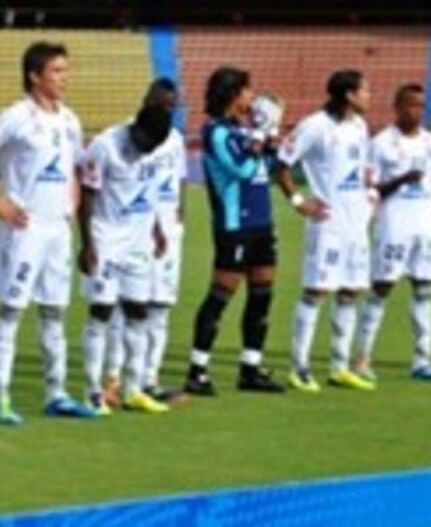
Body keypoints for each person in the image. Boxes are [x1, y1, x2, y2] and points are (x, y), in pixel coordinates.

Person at [0, 42, 97, 424]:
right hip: (25, 229)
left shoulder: (70, 120)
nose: (64, 78)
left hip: (58, 228)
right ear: (34, 77)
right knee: (11, 311)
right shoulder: (16, 116)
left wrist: (72, 202)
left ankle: (56, 392)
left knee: (55, 311)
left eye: (66, 70)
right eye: (57, 71)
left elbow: (74, 166)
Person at [274, 70, 376, 393]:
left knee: (351, 292)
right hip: (328, 224)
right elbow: (280, 164)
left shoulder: (360, 127)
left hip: (356, 225)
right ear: (348, 94)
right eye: (365, 91)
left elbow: (360, 170)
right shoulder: (315, 126)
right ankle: (299, 367)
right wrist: (298, 200)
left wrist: (369, 194)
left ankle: (339, 366)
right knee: (317, 291)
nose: (369, 96)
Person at [184, 69, 285, 395]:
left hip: (261, 222)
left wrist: (270, 144)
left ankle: (250, 368)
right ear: (232, 94)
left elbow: (262, 169)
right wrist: (260, 135)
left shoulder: (242, 130)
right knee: (220, 295)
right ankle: (197, 370)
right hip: (235, 225)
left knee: (262, 294)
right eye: (246, 90)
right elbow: (240, 168)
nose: (251, 96)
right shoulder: (215, 132)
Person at [353, 84, 431, 384]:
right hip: (393, 227)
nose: (416, 111)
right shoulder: (380, 143)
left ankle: (422, 361)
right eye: (410, 105)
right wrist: (401, 180)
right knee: (380, 290)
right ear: (397, 107)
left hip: (424, 229)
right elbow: (370, 189)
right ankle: (361, 359)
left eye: (420, 106)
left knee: (425, 291)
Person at [78, 102, 174, 415]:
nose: (148, 150)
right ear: (136, 129)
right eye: (146, 143)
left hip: (139, 242)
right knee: (101, 313)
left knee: (138, 313)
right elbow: (87, 197)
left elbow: (151, 191)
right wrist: (87, 244)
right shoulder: (105, 146)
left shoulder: (159, 148)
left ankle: (132, 389)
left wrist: (158, 229)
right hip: (106, 240)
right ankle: (93, 390)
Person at [102, 79, 187, 404]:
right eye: (162, 103)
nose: (168, 109)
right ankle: (112, 379)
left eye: (172, 105)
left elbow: (179, 181)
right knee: (125, 307)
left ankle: (148, 379)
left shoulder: (175, 141)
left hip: (167, 232)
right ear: (147, 100)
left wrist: (179, 218)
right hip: (134, 229)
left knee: (160, 307)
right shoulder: (128, 136)